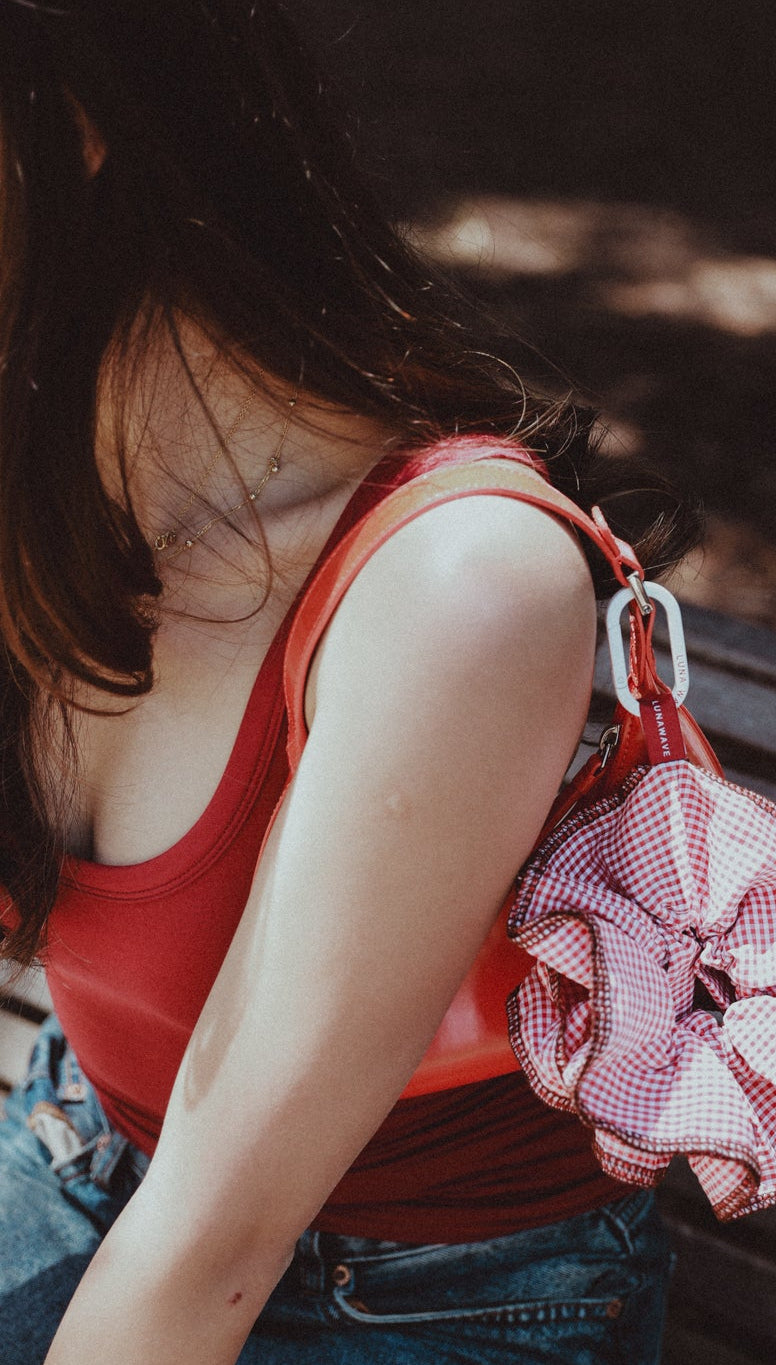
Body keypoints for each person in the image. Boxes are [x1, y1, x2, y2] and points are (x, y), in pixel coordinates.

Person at [0, 2, 698, 1361]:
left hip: (432, 1296)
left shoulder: (452, 590)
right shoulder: (44, 491)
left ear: (68, 128)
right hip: (83, 1157)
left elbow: (213, 1243)